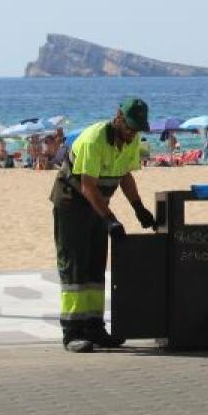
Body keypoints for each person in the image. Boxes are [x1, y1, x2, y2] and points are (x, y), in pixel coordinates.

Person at [49, 98, 156, 353]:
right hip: (72, 202)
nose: (132, 133)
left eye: (137, 128)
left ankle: (94, 327)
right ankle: (72, 332)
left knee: (96, 264)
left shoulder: (131, 142)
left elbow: (125, 175)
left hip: (98, 204)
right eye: (130, 127)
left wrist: (139, 208)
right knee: (75, 266)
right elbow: (87, 186)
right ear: (118, 117)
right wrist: (110, 220)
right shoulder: (93, 139)